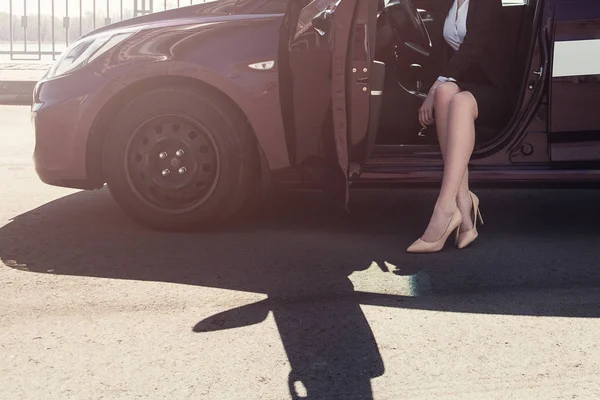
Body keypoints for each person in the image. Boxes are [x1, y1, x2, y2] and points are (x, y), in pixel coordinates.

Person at [407, 0, 512, 253]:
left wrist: (434, 86)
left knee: (460, 102)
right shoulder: (447, 3)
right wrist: (436, 88)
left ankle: (444, 209)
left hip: (497, 86)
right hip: (462, 80)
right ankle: (464, 204)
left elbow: (474, 47)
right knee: (445, 94)